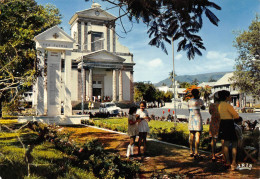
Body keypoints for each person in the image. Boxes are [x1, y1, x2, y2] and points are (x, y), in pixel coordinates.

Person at [218, 90, 239, 170]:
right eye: (229, 96)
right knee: (234, 142)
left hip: (222, 123)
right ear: (226, 97)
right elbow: (236, 116)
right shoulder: (228, 106)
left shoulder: (220, 105)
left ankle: (227, 161)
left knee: (226, 143)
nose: (230, 97)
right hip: (229, 123)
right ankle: (234, 162)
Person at [188, 89, 205, 159]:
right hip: (197, 118)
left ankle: (191, 150)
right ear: (198, 93)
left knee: (191, 134)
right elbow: (203, 107)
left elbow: (189, 110)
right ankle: (196, 152)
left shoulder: (189, 101)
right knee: (197, 135)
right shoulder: (200, 101)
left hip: (191, 117)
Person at [209, 92, 221, 162]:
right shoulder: (222, 105)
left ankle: (213, 155)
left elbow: (210, 112)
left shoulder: (212, 105)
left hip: (213, 122)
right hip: (221, 122)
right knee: (223, 140)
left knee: (213, 139)